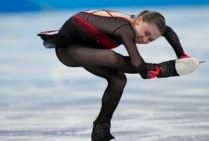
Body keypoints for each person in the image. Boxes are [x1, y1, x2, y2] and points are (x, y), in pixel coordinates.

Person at [38, 9, 199, 141]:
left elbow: (168, 30)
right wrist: (161, 70)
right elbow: (136, 63)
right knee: (113, 58)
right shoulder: (124, 28)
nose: (144, 39)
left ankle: (101, 130)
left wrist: (182, 55)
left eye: (150, 40)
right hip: (69, 50)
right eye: (146, 33)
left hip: (87, 48)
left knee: (118, 80)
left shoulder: (135, 24)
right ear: (139, 19)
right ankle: (164, 69)